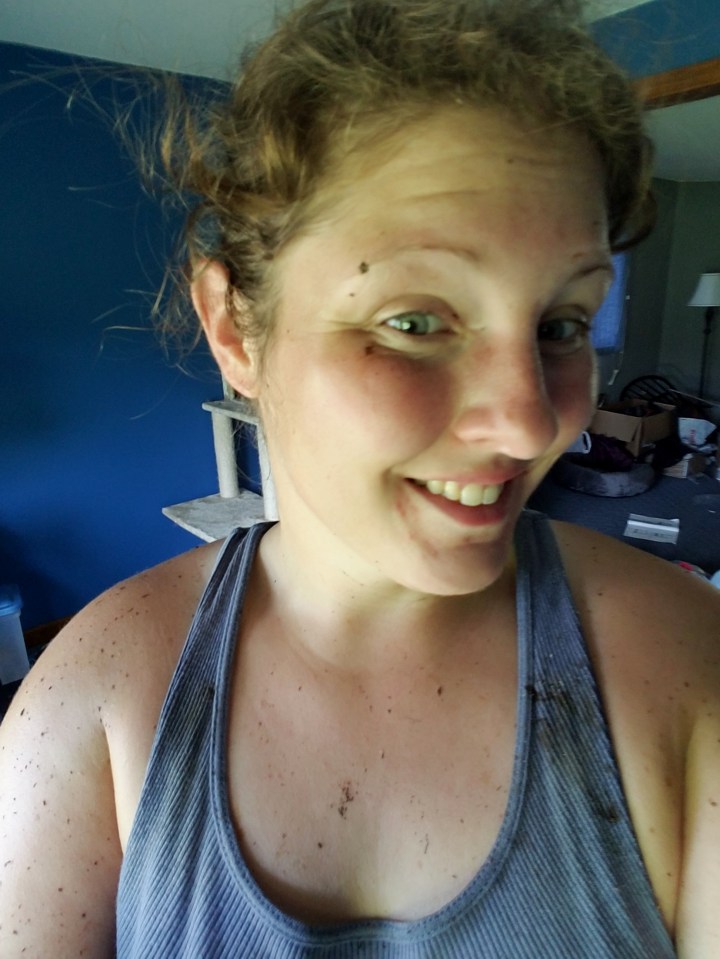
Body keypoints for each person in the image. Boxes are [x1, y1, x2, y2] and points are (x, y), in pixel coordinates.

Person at [1, 0, 718, 955]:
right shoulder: (91, 703)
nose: (530, 420)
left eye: (561, 324)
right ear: (235, 329)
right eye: (414, 321)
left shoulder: (687, 665)